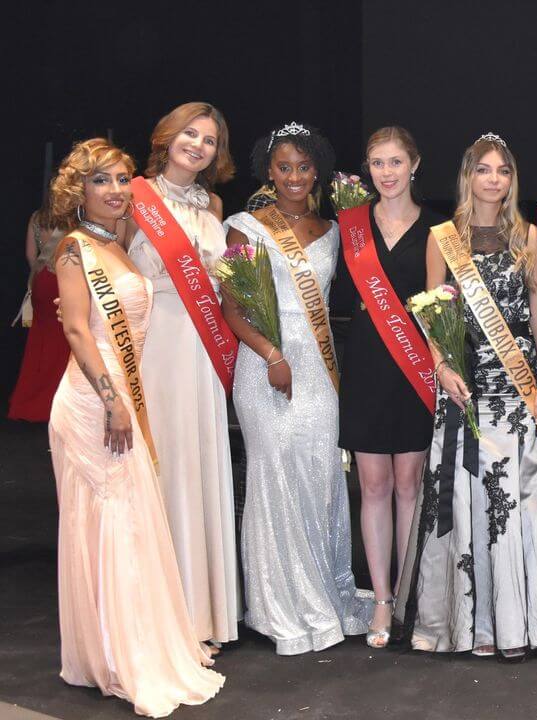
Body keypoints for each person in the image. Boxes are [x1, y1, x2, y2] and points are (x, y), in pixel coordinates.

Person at [49, 138, 224, 717]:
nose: (117, 191)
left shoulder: (115, 243)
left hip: (123, 394)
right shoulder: (76, 250)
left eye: (123, 179)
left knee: (128, 522)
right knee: (113, 525)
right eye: (102, 181)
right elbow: (76, 331)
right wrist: (110, 402)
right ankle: (120, 655)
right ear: (80, 190)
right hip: (94, 401)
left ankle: (119, 645)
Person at [397, 133, 537, 660]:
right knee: (467, 496)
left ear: (511, 179)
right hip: (465, 378)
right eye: (484, 170)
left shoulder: (530, 236)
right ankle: (473, 624)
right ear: (467, 176)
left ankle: (519, 621)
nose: (493, 179)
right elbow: (432, 310)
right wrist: (442, 365)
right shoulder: (442, 236)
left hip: (514, 382)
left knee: (516, 497)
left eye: (502, 171)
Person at [221, 123, 372, 654]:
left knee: (319, 476)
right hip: (267, 366)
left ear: (317, 173)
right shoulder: (244, 227)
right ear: (269, 171)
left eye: (303, 168)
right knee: (277, 475)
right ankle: (279, 603)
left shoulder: (333, 229)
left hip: (318, 368)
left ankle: (322, 593)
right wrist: (272, 354)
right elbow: (232, 309)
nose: (293, 177)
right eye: (283, 167)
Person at [126, 102, 239, 649]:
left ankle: (199, 617)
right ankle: (156, 621)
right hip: (153, 347)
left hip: (202, 348)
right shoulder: (133, 196)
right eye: (189, 134)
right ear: (166, 136)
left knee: (196, 469)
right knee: (161, 469)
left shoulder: (212, 204)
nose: (198, 145)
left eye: (210, 139)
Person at [331, 126, 446, 647]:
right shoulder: (349, 227)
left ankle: (405, 593)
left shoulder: (437, 230)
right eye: (377, 163)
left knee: (409, 486)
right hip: (366, 365)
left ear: (414, 164)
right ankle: (380, 598)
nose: (387, 172)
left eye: (396, 162)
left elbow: (437, 305)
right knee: (373, 486)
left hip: (414, 366)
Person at [8, 194, 71, 421]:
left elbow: (30, 255)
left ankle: (27, 401)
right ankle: (53, 403)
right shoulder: (74, 220)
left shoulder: (36, 218)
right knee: (62, 344)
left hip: (41, 282)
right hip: (64, 280)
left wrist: (40, 273)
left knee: (39, 341)